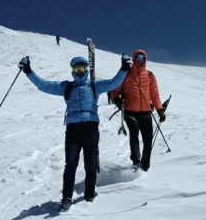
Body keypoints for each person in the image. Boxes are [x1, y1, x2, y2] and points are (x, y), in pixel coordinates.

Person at [17, 54, 131, 209]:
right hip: (73, 131)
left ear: (87, 70)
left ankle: (89, 194)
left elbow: (114, 82)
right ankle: (66, 198)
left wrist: (124, 68)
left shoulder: (94, 86)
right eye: (76, 68)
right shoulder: (66, 87)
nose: (79, 71)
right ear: (72, 70)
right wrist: (28, 71)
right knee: (70, 165)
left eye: (82, 68)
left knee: (90, 164)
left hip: (91, 130)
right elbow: (44, 85)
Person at [109, 49, 166, 172]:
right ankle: (136, 161)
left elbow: (154, 95)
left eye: (142, 58)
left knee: (148, 140)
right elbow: (115, 90)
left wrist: (160, 110)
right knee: (134, 133)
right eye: (138, 58)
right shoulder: (127, 74)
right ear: (134, 59)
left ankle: (145, 166)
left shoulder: (150, 75)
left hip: (146, 112)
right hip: (130, 111)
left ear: (145, 60)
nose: (140, 61)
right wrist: (117, 100)